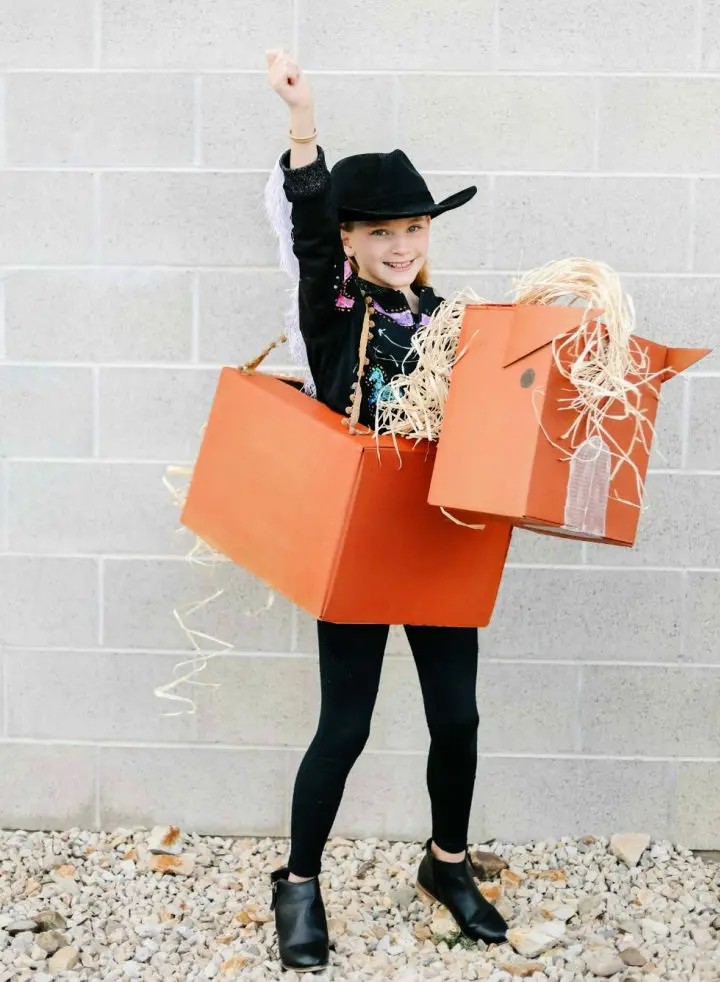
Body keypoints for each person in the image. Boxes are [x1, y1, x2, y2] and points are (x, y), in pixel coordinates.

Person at [265, 49, 508, 974]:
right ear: (355, 242)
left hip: (441, 536)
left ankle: (446, 866)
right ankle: (298, 883)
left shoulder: (451, 320)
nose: (401, 246)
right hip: (358, 539)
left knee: (459, 718)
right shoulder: (335, 307)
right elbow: (310, 232)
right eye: (381, 234)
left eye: (414, 228)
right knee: (348, 725)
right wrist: (302, 123)